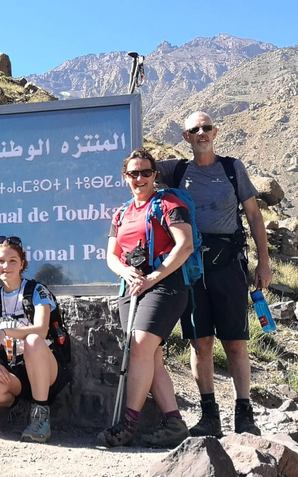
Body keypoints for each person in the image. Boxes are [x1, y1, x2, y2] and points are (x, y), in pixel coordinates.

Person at [157, 111, 272, 436]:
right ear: (186, 137)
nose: (202, 133)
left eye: (207, 128)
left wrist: (264, 262)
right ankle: (209, 416)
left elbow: (254, 216)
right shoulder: (175, 170)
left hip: (229, 265)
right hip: (192, 268)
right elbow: (139, 166)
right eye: (195, 129)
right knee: (199, 342)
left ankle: (244, 414)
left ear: (215, 132)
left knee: (235, 342)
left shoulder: (232, 169)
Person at [98, 148, 194, 448]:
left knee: (140, 345)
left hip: (166, 285)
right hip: (133, 287)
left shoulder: (169, 203)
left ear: (155, 174)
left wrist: (153, 277)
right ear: (125, 176)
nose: (139, 178)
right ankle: (175, 422)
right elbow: (111, 256)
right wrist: (126, 272)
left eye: (146, 172)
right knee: (150, 355)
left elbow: (185, 245)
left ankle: (128, 424)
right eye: (133, 173)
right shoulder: (122, 212)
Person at [0, 236, 69, 443]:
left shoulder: (36, 291)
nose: (6, 266)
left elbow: (41, 330)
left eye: (12, 261)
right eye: (0, 261)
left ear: (22, 264)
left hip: (48, 367)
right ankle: (18, 407)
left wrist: (6, 332)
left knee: (33, 340)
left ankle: (40, 416)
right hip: (16, 370)